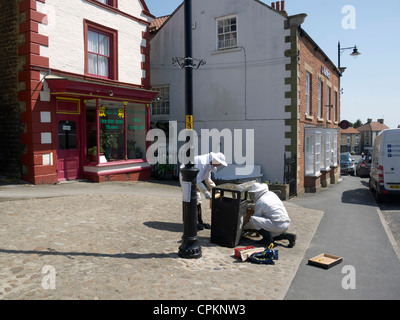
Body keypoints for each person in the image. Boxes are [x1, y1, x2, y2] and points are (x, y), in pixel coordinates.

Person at [180, 152, 227, 230]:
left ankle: (199, 221)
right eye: (220, 163)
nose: (220, 165)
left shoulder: (209, 163)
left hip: (194, 178)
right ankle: (191, 223)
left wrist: (216, 189)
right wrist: (205, 192)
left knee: (198, 201)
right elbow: (197, 181)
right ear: (215, 160)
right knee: (191, 199)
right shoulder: (202, 162)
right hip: (186, 177)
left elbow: (207, 179)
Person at [244, 183, 296, 247]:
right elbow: (267, 206)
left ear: (258, 192)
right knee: (271, 235)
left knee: (254, 220)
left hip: (277, 224)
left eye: (254, 193)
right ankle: (288, 236)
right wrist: (250, 206)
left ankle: (266, 240)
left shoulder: (260, 201)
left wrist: (244, 228)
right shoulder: (271, 194)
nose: (254, 195)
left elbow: (255, 218)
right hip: (286, 223)